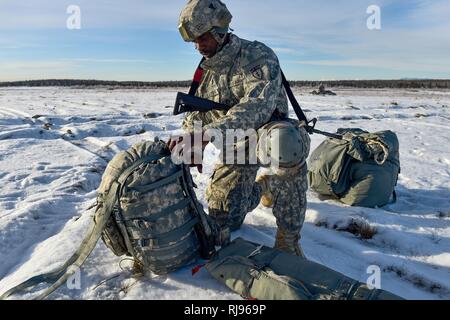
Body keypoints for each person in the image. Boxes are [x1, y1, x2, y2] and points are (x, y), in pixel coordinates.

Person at [170, 0, 310, 256]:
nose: (198, 46)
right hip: (237, 143)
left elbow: (258, 105)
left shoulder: (256, 55)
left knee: (286, 142)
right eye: (194, 41)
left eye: (203, 38)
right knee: (227, 218)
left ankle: (288, 238)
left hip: (268, 134)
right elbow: (197, 114)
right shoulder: (206, 72)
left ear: (220, 31)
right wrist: (189, 140)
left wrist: (208, 134)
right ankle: (267, 187)